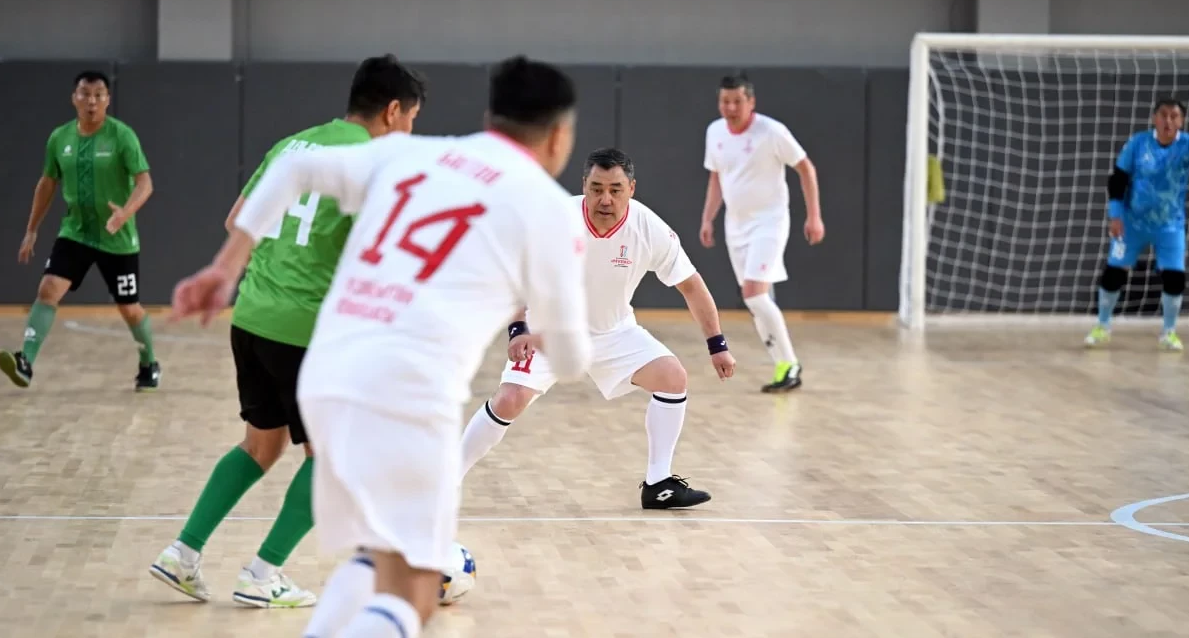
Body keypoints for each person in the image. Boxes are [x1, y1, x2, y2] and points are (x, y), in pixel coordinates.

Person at [168, 55, 592, 638]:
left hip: (326, 373)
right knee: (416, 589)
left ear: (490, 117)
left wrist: (225, 267)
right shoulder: (548, 209)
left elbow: (292, 169)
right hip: (408, 396)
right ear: (560, 135)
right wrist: (553, 338)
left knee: (378, 558)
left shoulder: (409, 154)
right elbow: (571, 361)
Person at [148, 54, 427, 609]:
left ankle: (182, 553)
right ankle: (262, 573)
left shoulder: (292, 146)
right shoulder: (374, 163)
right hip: (307, 330)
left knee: (261, 444)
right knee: (331, 458)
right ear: (393, 111)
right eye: (413, 119)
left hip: (253, 316)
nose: (411, 131)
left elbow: (237, 220)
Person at [460, 147, 735, 509]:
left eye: (616, 190)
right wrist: (518, 329)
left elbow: (691, 286)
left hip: (614, 332)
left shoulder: (649, 227)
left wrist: (717, 344)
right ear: (584, 186)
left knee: (672, 377)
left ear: (631, 189)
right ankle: (447, 479)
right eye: (597, 188)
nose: (606, 199)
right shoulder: (554, 221)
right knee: (509, 400)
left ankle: (658, 484)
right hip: (548, 331)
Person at [0, 71, 159, 391]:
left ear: (108, 100)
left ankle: (149, 363)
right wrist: (31, 229)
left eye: (99, 95)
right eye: (85, 94)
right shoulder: (60, 138)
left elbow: (145, 183)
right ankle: (25, 361)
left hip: (117, 236)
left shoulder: (122, 136)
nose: (92, 101)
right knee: (48, 289)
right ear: (74, 98)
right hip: (76, 232)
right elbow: (47, 184)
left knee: (129, 308)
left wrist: (125, 213)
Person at [1085, 97, 1189, 351]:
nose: (1168, 121)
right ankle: (1102, 326)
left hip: (1170, 226)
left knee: (1174, 278)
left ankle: (1169, 332)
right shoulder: (1138, 143)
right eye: (1163, 115)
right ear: (1154, 118)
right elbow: (1118, 180)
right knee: (1114, 273)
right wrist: (1115, 216)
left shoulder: (1187, 144)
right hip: (1131, 223)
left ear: (1181, 121)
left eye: (1174, 116)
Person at [699, 72, 824, 393]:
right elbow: (716, 178)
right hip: (735, 226)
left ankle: (790, 363)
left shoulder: (771, 131)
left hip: (769, 222)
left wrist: (814, 217)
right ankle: (783, 366)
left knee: (753, 293)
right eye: (725, 101)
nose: (730, 107)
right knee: (756, 300)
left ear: (751, 102)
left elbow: (806, 168)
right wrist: (708, 218)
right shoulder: (714, 132)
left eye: (737, 101)